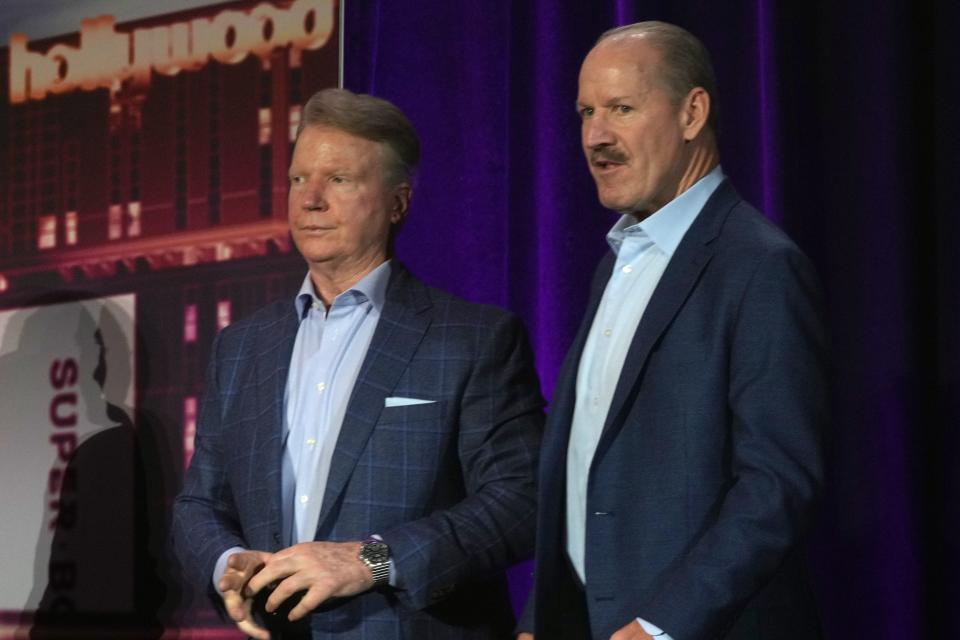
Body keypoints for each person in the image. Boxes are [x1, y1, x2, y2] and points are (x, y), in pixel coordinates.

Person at [173, 88, 544, 640]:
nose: (311, 200)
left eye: (339, 180)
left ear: (398, 203)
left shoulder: (473, 339)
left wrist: (371, 560)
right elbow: (199, 502)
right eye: (299, 179)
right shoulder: (242, 346)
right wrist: (227, 560)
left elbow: (522, 501)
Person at [519, 21, 827, 640]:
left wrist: (661, 626)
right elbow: (582, 466)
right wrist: (542, 617)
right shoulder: (616, 263)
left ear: (692, 113)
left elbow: (776, 484)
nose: (595, 137)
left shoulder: (760, 265)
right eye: (585, 112)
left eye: (621, 109)